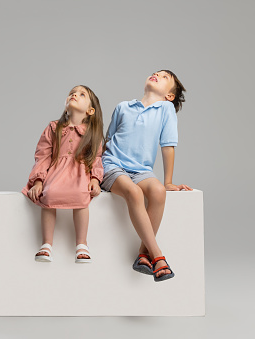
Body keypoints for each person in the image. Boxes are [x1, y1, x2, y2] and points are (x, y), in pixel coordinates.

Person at [101, 70, 192, 282]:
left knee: (159, 191)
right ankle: (157, 256)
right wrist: (93, 175)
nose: (156, 75)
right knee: (134, 194)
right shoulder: (123, 107)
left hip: (141, 170)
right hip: (113, 164)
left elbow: (168, 146)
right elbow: (107, 142)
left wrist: (167, 181)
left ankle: (143, 255)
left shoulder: (166, 109)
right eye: (155, 73)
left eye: (164, 77)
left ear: (169, 95)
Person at [22, 85, 104, 263]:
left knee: (82, 196)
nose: (74, 94)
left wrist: (96, 179)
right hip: (56, 172)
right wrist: (38, 181)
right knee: (48, 195)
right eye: (72, 93)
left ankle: (82, 243)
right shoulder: (54, 128)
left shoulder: (92, 134)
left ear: (90, 110)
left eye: (81, 94)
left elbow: (97, 158)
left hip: (80, 174)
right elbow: (43, 155)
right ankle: (46, 244)